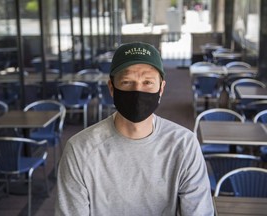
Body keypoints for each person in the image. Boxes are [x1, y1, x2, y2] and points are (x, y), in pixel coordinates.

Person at [55, 42, 214, 216]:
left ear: (161, 89)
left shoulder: (184, 145)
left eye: (147, 82)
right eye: (127, 82)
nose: (137, 91)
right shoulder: (80, 150)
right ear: (111, 88)